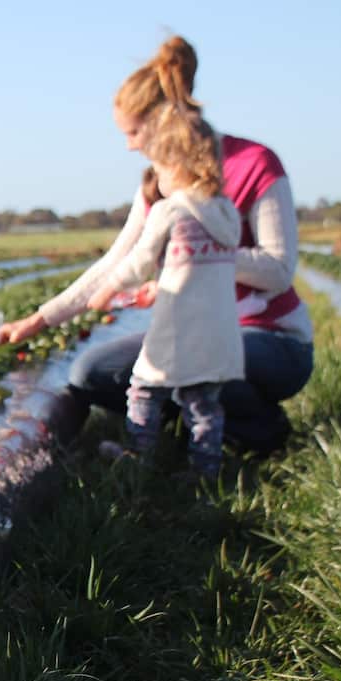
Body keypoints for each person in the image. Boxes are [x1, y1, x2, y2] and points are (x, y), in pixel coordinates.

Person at [0, 36, 313, 454]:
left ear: (163, 121)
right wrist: (37, 321)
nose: (129, 145)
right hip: (195, 329)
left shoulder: (254, 162)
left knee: (197, 360)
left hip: (270, 337)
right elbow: (118, 261)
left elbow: (278, 268)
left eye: (133, 131)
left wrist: (200, 257)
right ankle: (187, 435)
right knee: (92, 372)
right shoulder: (157, 184)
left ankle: (261, 431)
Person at [84, 104, 242, 478]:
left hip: (179, 329)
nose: (156, 176)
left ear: (177, 165)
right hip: (220, 331)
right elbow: (199, 265)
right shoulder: (227, 213)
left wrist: (106, 290)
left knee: (143, 388)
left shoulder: (171, 211)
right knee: (202, 402)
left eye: (158, 166)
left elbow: (139, 262)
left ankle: (138, 457)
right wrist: (164, 283)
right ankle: (205, 470)